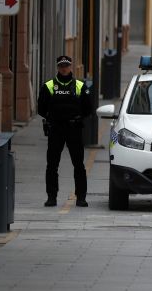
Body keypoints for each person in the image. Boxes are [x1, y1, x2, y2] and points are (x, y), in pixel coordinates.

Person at [38, 56, 92, 207]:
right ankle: (51, 197)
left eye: (66, 65)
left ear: (71, 67)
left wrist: (78, 118)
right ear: (57, 67)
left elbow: (88, 108)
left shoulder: (80, 85)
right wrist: (52, 118)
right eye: (61, 65)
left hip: (74, 129)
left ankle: (81, 197)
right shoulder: (49, 86)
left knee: (79, 165)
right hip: (56, 129)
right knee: (52, 164)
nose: (64, 68)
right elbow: (41, 108)